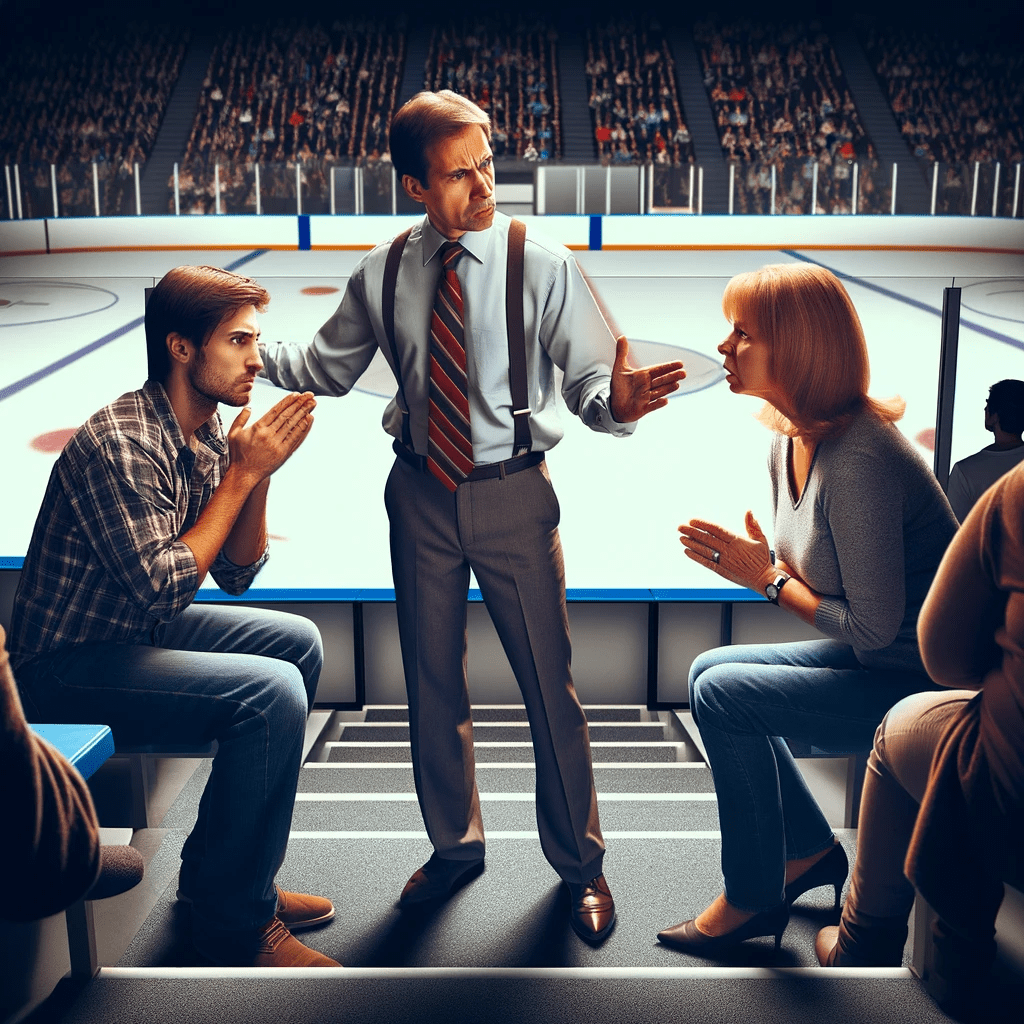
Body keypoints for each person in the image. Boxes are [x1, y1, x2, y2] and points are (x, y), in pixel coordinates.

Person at [259, 89, 685, 945]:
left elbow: (594, 388)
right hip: (417, 493)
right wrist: (242, 349)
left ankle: (582, 866)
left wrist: (622, 405)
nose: (484, 185)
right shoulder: (381, 271)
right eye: (460, 174)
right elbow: (326, 366)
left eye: (487, 164)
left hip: (514, 495)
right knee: (431, 683)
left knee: (549, 689)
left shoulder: (545, 263)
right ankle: (455, 848)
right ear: (416, 185)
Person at [6, 266, 340, 969]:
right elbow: (161, 589)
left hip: (129, 634)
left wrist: (259, 474)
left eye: (258, 339)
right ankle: (233, 925)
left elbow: (238, 575)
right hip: (62, 666)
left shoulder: (206, 429)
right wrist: (243, 476)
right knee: (269, 695)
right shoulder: (121, 443)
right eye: (240, 340)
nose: (258, 358)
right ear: (181, 347)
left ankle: (227, 885)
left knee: (298, 645)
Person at [657, 263, 958, 956]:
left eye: (742, 334)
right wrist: (771, 566)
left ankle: (753, 897)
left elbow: (872, 624)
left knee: (727, 694)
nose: (724, 347)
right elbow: (831, 577)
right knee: (709, 671)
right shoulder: (788, 435)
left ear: (796, 348)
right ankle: (806, 855)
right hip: (878, 660)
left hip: (921, 685)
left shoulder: (859, 460)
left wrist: (765, 579)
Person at [815, 461, 1024, 1019]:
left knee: (903, 726)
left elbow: (944, 655)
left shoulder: (1013, 492)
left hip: (1015, 805)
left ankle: (869, 945)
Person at [946, 379, 1024, 523]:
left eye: (987, 404)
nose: (984, 409)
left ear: (994, 416)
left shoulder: (965, 472)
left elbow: (953, 534)